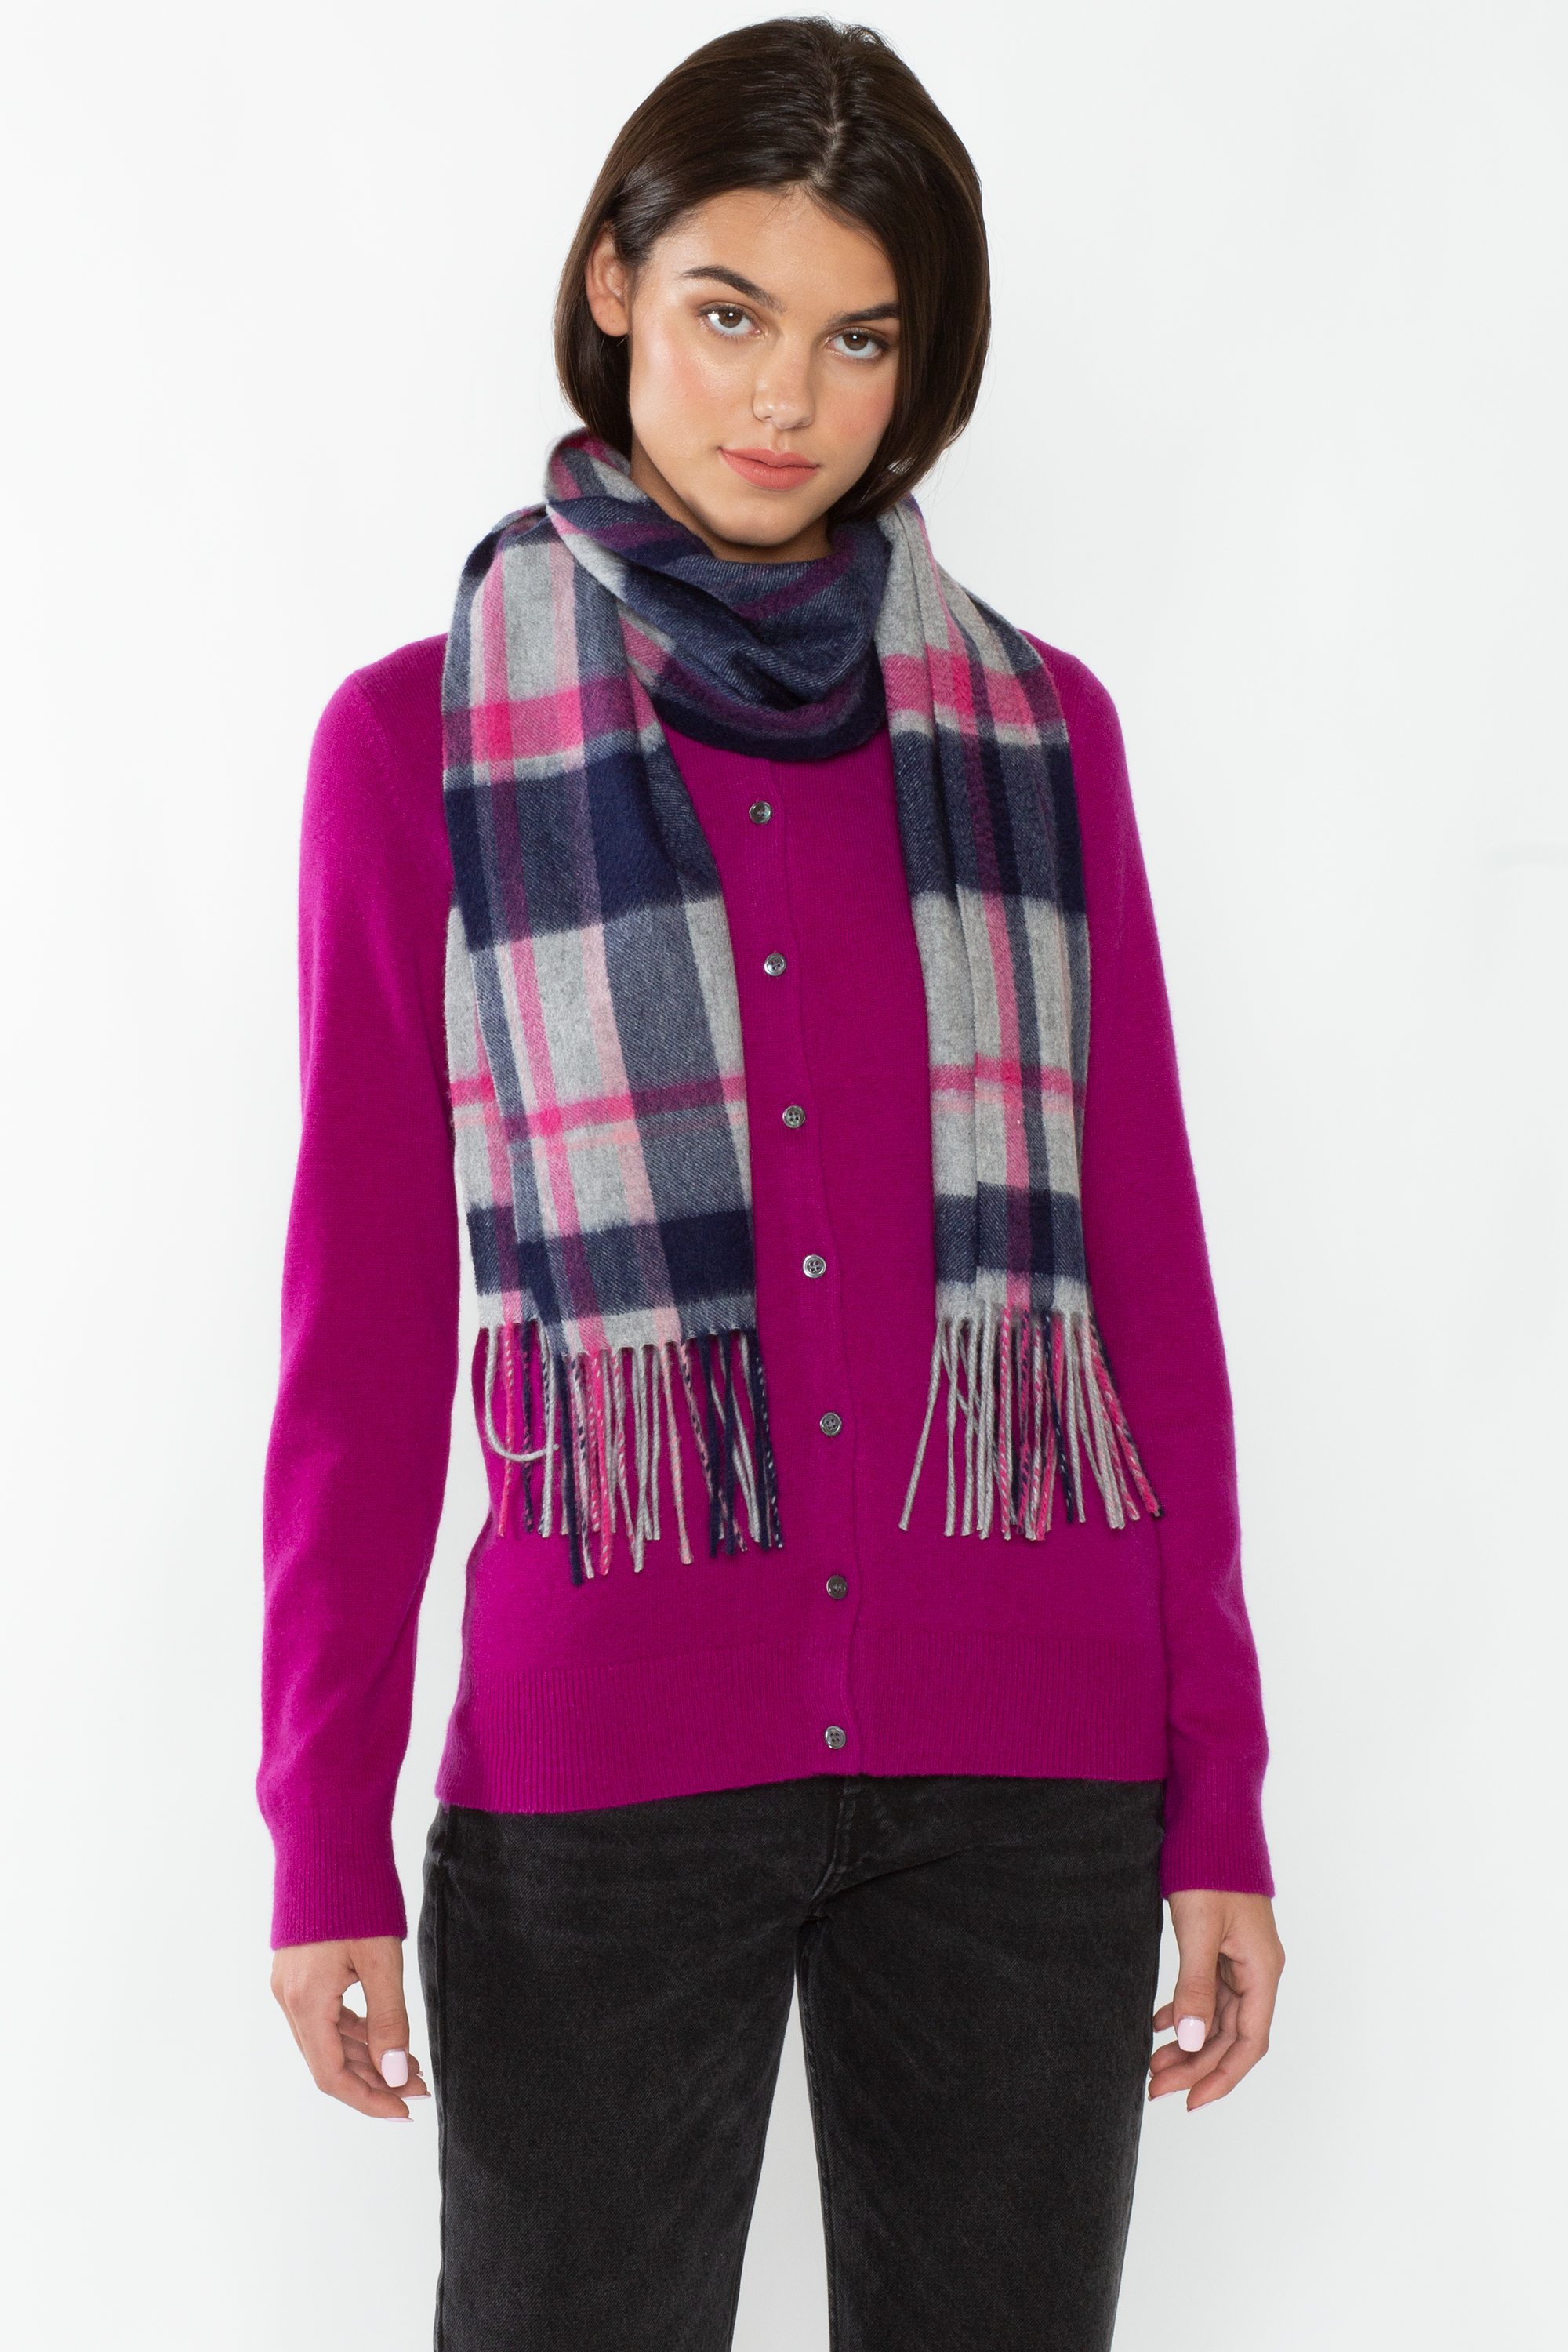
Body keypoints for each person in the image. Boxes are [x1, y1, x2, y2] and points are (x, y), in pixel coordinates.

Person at [262, 18, 1283, 2348]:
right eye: (731, 310)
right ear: (615, 282)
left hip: (1026, 1766)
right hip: (603, 1764)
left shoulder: (1043, 733)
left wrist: (1216, 1792)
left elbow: (1147, 1276)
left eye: (859, 339)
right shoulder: (417, 745)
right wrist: (321, 1833)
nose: (784, 400)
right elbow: (363, 1335)